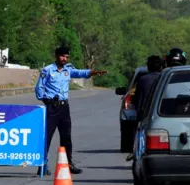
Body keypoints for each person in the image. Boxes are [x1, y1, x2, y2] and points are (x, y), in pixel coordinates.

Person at [35, 46, 108, 175]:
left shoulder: (68, 70)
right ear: (56, 55)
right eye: (62, 56)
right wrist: (46, 100)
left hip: (64, 108)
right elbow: (39, 88)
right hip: (52, 106)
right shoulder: (47, 70)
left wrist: (94, 72)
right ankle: (42, 165)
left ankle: (68, 164)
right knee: (47, 137)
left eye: (67, 57)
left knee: (66, 137)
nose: (64, 59)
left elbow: (80, 73)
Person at [124, 55, 164, 162]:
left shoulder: (142, 80)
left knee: (139, 133)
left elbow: (136, 98)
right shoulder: (163, 79)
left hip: (143, 113)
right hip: (160, 113)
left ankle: (135, 151)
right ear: (161, 67)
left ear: (148, 67)